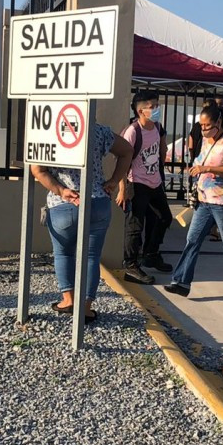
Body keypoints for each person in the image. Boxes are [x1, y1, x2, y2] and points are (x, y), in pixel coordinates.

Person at [31, 121, 133, 323]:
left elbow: (38, 170)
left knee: (63, 253)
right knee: (91, 256)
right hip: (97, 200)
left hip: (63, 203)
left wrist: (61, 190)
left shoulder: (48, 129)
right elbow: (127, 151)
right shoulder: (98, 130)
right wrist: (113, 181)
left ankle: (68, 300)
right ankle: (85, 308)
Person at [164, 104, 223, 299]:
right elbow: (202, 162)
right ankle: (181, 282)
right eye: (201, 125)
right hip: (204, 200)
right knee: (192, 239)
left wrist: (207, 169)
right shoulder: (205, 141)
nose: (203, 129)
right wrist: (197, 169)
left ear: (218, 122)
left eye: (207, 125)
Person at [118, 90, 174, 284]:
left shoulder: (157, 127)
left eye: (157, 105)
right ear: (141, 111)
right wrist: (122, 188)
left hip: (155, 182)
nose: (157, 109)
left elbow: (160, 150)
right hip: (137, 183)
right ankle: (131, 265)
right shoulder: (133, 131)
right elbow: (122, 159)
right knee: (135, 226)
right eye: (153, 107)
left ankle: (151, 254)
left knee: (164, 217)